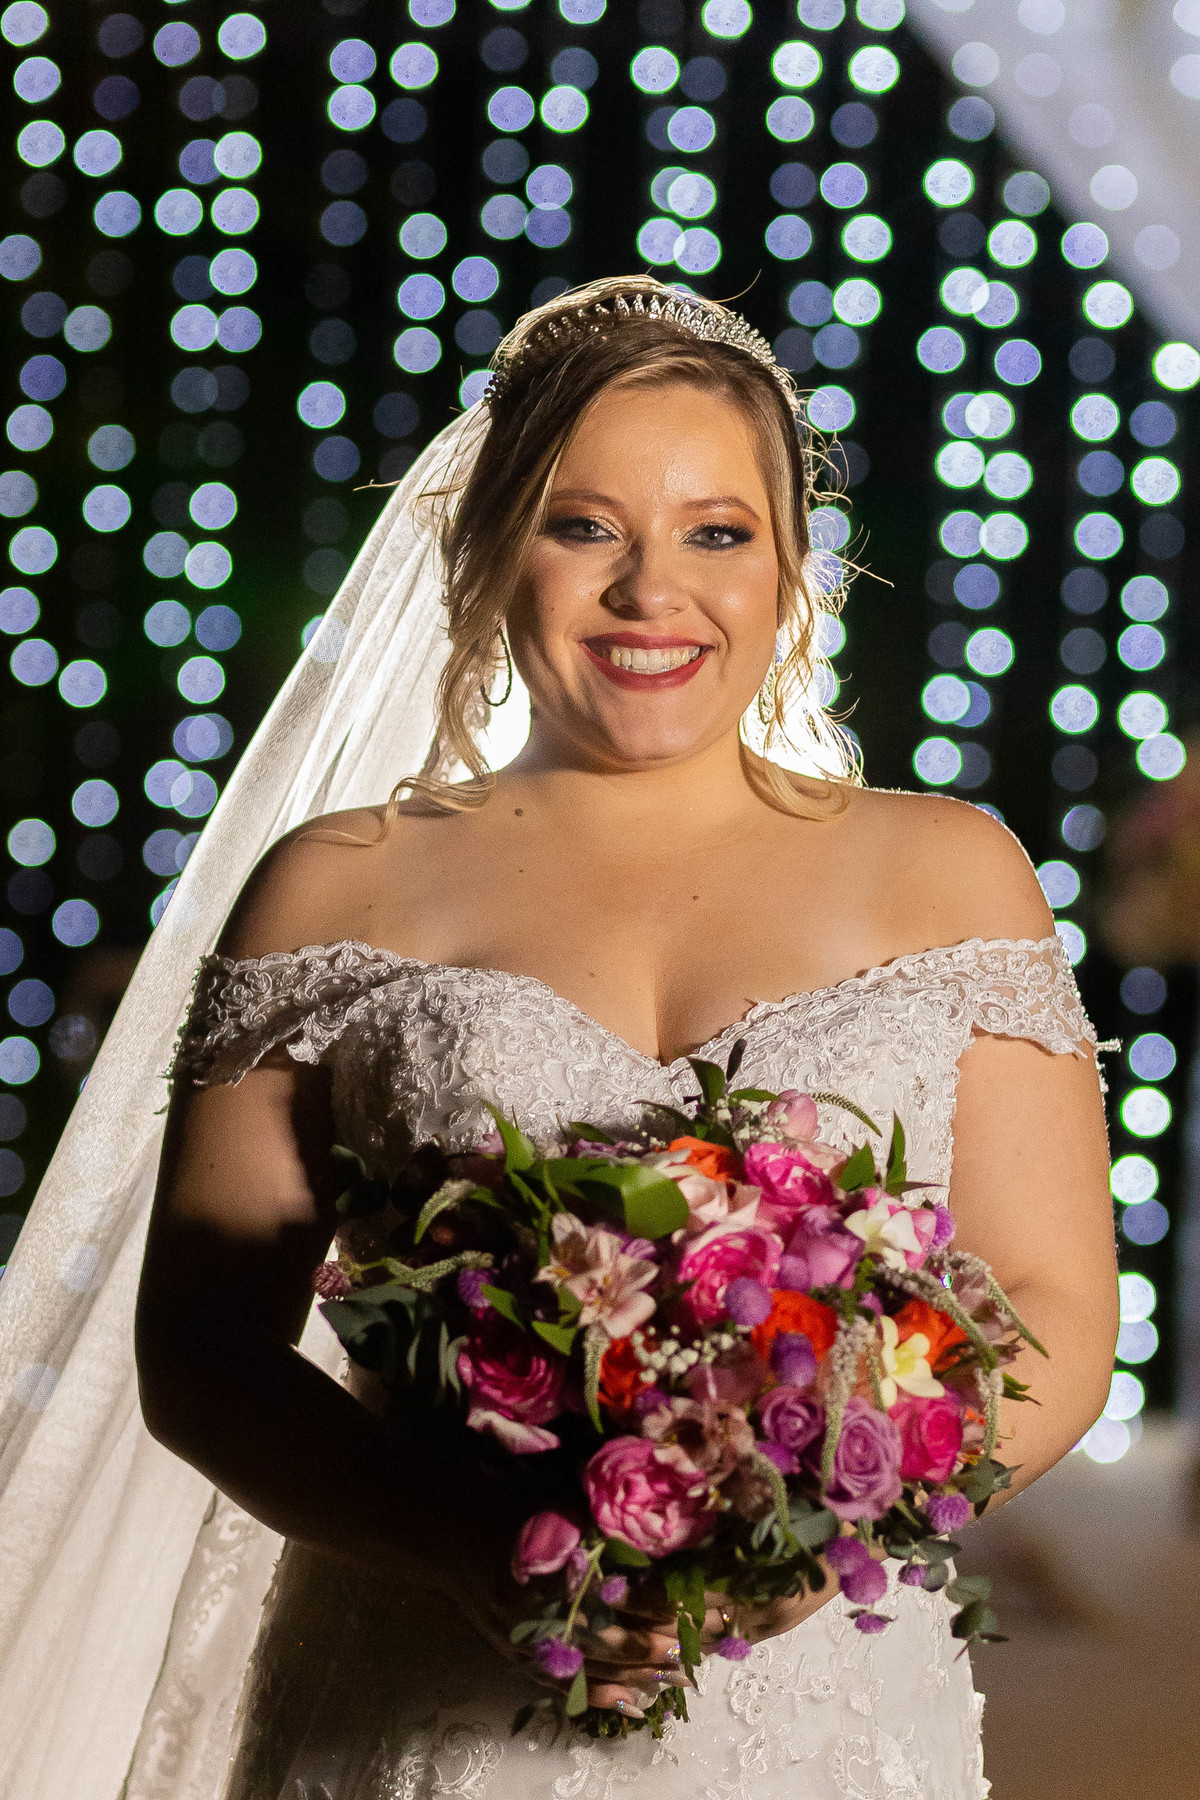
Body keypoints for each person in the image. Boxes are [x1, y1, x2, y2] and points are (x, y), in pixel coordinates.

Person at [0, 278, 1117, 1800]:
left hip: (822, 1711)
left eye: (718, 533)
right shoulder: (340, 885)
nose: (655, 592)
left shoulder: (949, 870)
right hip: (413, 1687)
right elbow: (202, 1355)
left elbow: (1054, 1304)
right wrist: (464, 1541)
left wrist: (831, 1530)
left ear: (792, 569)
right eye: (585, 526)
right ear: (481, 550)